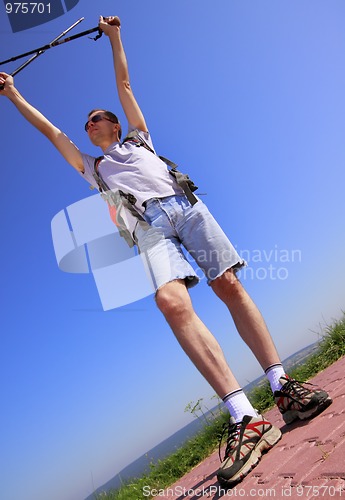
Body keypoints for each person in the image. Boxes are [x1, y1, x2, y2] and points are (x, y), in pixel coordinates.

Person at [0, 16, 332, 489]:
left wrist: (115, 37)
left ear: (114, 124)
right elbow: (53, 133)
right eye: (87, 122)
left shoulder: (139, 139)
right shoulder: (93, 168)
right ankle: (245, 416)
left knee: (229, 285)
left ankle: (282, 388)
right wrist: (13, 95)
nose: (90, 123)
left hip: (187, 206)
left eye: (98, 118)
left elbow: (125, 82)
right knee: (170, 302)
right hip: (150, 227)